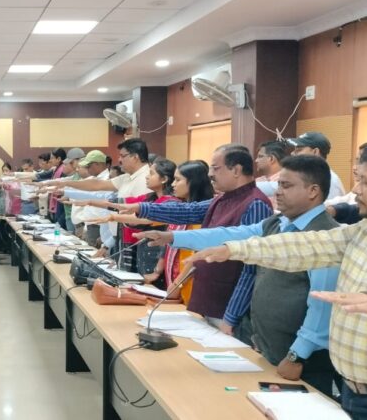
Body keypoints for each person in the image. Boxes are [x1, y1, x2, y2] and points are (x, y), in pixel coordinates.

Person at [184, 150, 367, 419]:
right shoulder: (358, 232)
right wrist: (232, 249)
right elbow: (304, 245)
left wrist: (297, 355)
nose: (356, 189)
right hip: (353, 386)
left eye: (364, 181)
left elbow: (318, 308)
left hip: (320, 368)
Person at [140, 156, 340, 395]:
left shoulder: (326, 236)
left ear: (313, 191)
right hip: (271, 349)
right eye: (279, 184)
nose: (278, 192)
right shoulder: (278, 223)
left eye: (286, 186)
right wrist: (173, 237)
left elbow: (322, 307)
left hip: (302, 361)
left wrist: (297, 355)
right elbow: (231, 234)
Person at [118, 145, 273, 337]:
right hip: (209, 301)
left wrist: (232, 317)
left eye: (215, 168)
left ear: (236, 170)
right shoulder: (223, 198)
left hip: (228, 309)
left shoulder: (255, 203)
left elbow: (251, 269)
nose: (210, 174)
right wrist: (142, 208)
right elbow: (188, 211)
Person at [288, 131, 345, 200]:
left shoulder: (330, 182)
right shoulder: (305, 176)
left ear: (315, 152)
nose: (292, 153)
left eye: (299, 150)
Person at [255, 141, 286, 208]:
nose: (256, 160)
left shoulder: (285, 181)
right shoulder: (258, 180)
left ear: (271, 159)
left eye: (260, 156)